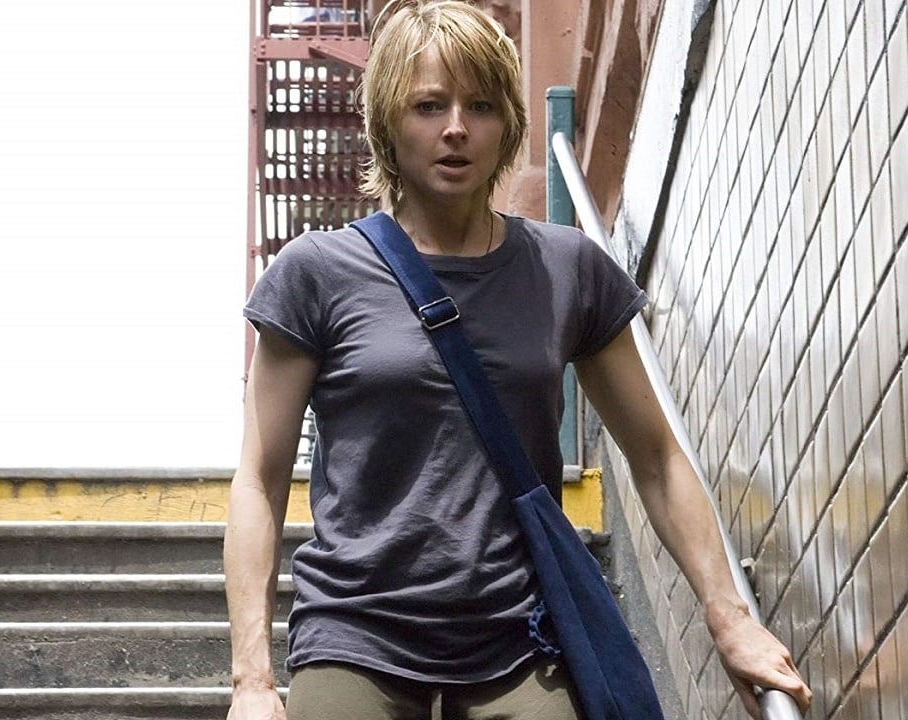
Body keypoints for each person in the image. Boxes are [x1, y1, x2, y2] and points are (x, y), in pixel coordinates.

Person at [224, 1, 814, 718]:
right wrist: (252, 681)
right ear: (387, 122)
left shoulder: (566, 268)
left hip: (520, 636)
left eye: (480, 106)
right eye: (428, 106)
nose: (455, 128)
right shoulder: (318, 271)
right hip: (358, 632)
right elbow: (259, 479)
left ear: (507, 122)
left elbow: (658, 458)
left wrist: (731, 619)